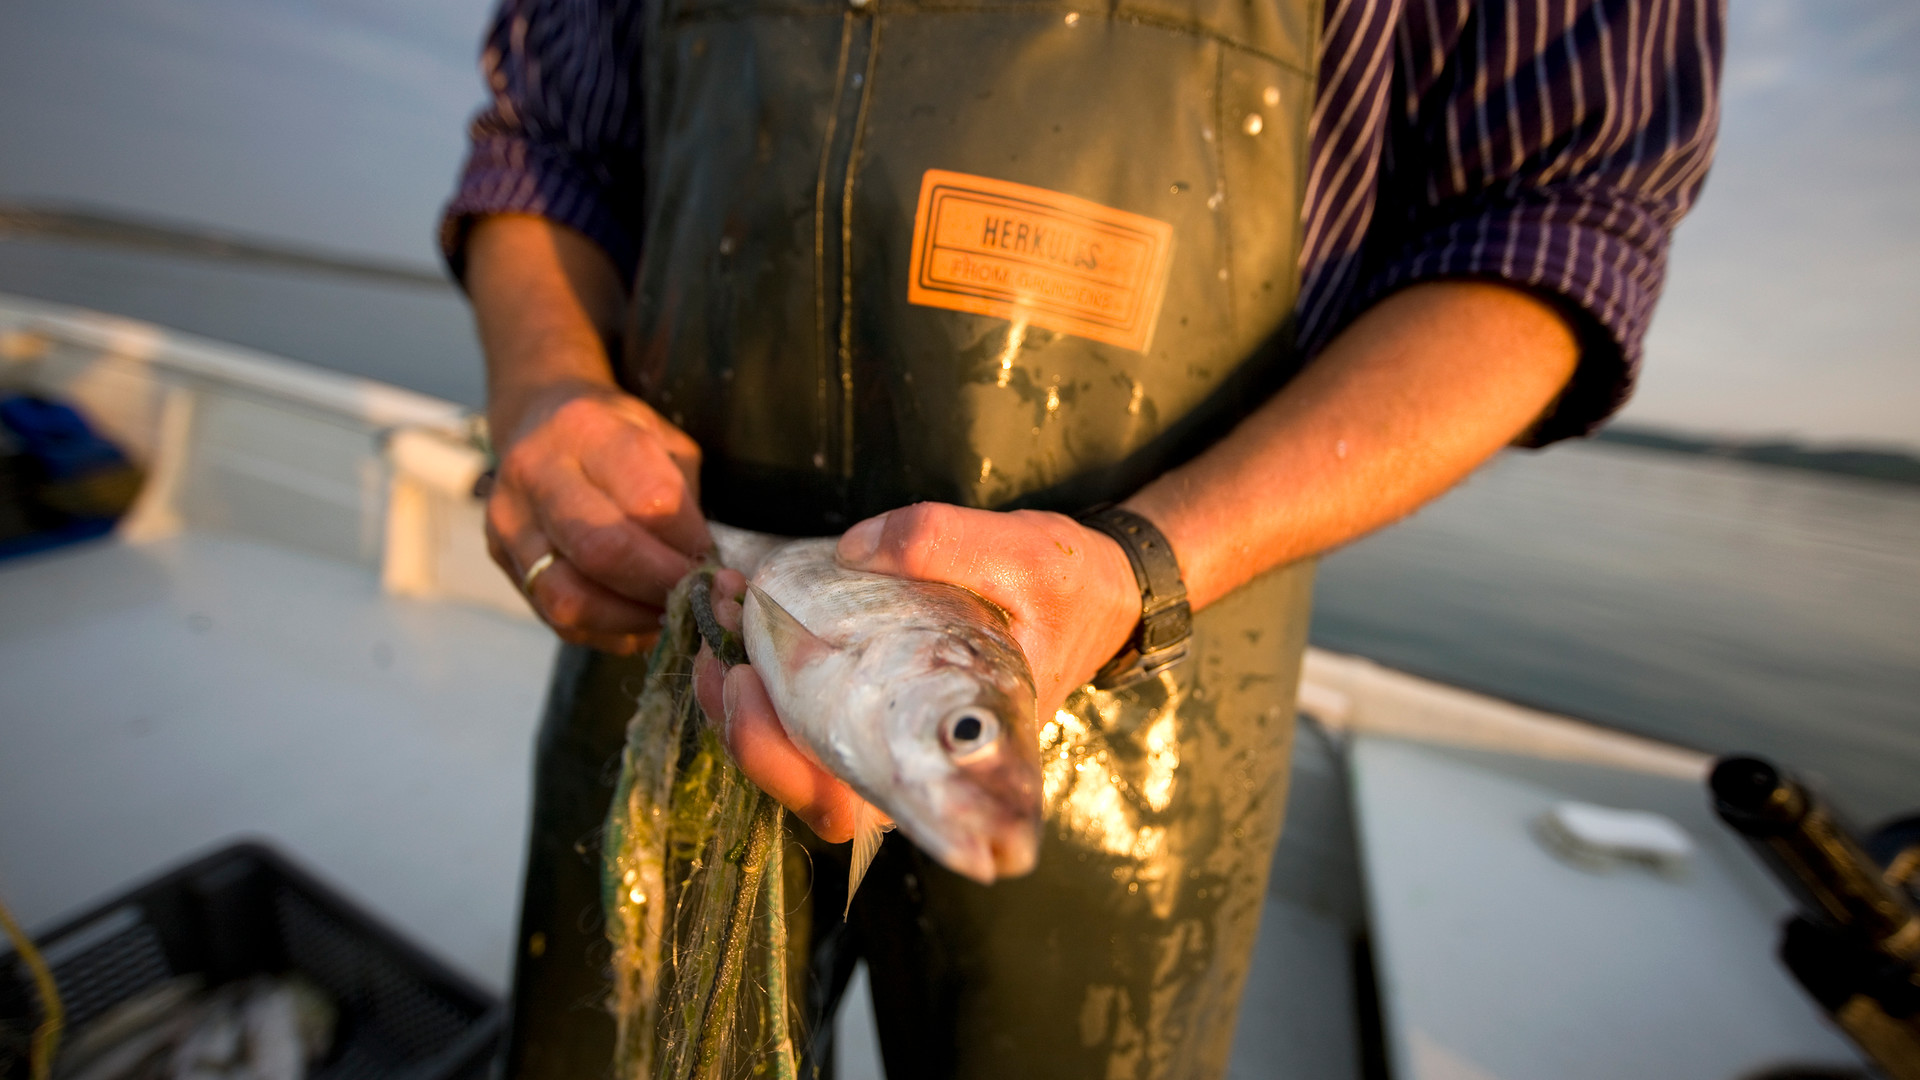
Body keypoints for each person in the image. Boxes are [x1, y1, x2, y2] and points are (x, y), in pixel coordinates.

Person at [441, 0, 1723, 1075]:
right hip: (661, 602)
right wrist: (549, 389)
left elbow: (1558, 220)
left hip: (1151, 656)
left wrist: (1144, 562)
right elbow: (548, 150)